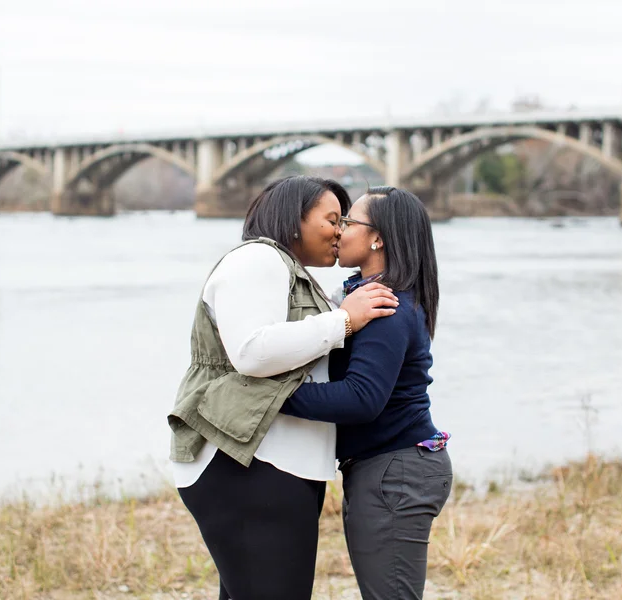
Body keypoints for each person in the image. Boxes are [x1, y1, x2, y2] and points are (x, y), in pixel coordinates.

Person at [166, 175, 398, 600]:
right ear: (294, 219)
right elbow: (252, 352)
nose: (340, 231)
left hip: (270, 467)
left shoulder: (292, 274)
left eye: (345, 221)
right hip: (244, 463)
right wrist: (343, 320)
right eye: (331, 219)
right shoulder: (258, 260)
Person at [281, 186, 452, 600]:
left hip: (395, 472)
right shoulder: (368, 295)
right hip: (391, 468)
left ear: (378, 238)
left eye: (349, 221)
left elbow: (362, 398)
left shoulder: (384, 305)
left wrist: (276, 397)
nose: (338, 230)